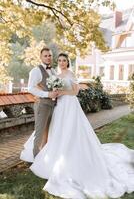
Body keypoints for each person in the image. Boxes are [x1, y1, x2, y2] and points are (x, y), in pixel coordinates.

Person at [22, 53, 134, 199]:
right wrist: (53, 93)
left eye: (64, 60)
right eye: (60, 60)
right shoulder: (55, 74)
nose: (62, 62)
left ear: (68, 62)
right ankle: (56, 156)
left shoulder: (70, 73)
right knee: (58, 130)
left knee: (72, 129)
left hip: (70, 105)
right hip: (59, 106)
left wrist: (62, 92)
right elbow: (49, 91)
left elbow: (75, 91)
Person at [20, 47, 58, 162]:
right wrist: (47, 94)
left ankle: (45, 155)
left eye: (50, 55)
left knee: (48, 131)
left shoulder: (53, 71)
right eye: (45, 56)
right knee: (39, 132)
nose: (48, 57)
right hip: (42, 105)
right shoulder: (35, 71)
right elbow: (30, 88)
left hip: (53, 106)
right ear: (41, 57)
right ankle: (36, 157)